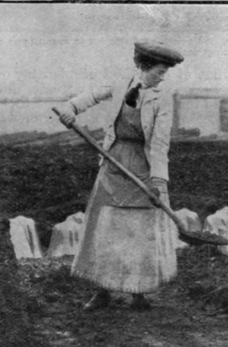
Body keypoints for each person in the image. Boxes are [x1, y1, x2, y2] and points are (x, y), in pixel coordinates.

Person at [56, 40, 184, 311]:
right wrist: (70, 110)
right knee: (106, 228)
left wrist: (158, 181)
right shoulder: (120, 84)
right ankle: (102, 291)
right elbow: (90, 96)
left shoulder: (162, 97)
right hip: (113, 163)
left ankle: (139, 292)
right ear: (143, 66)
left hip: (143, 166)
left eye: (165, 73)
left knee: (139, 231)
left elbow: (160, 143)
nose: (162, 77)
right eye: (159, 71)